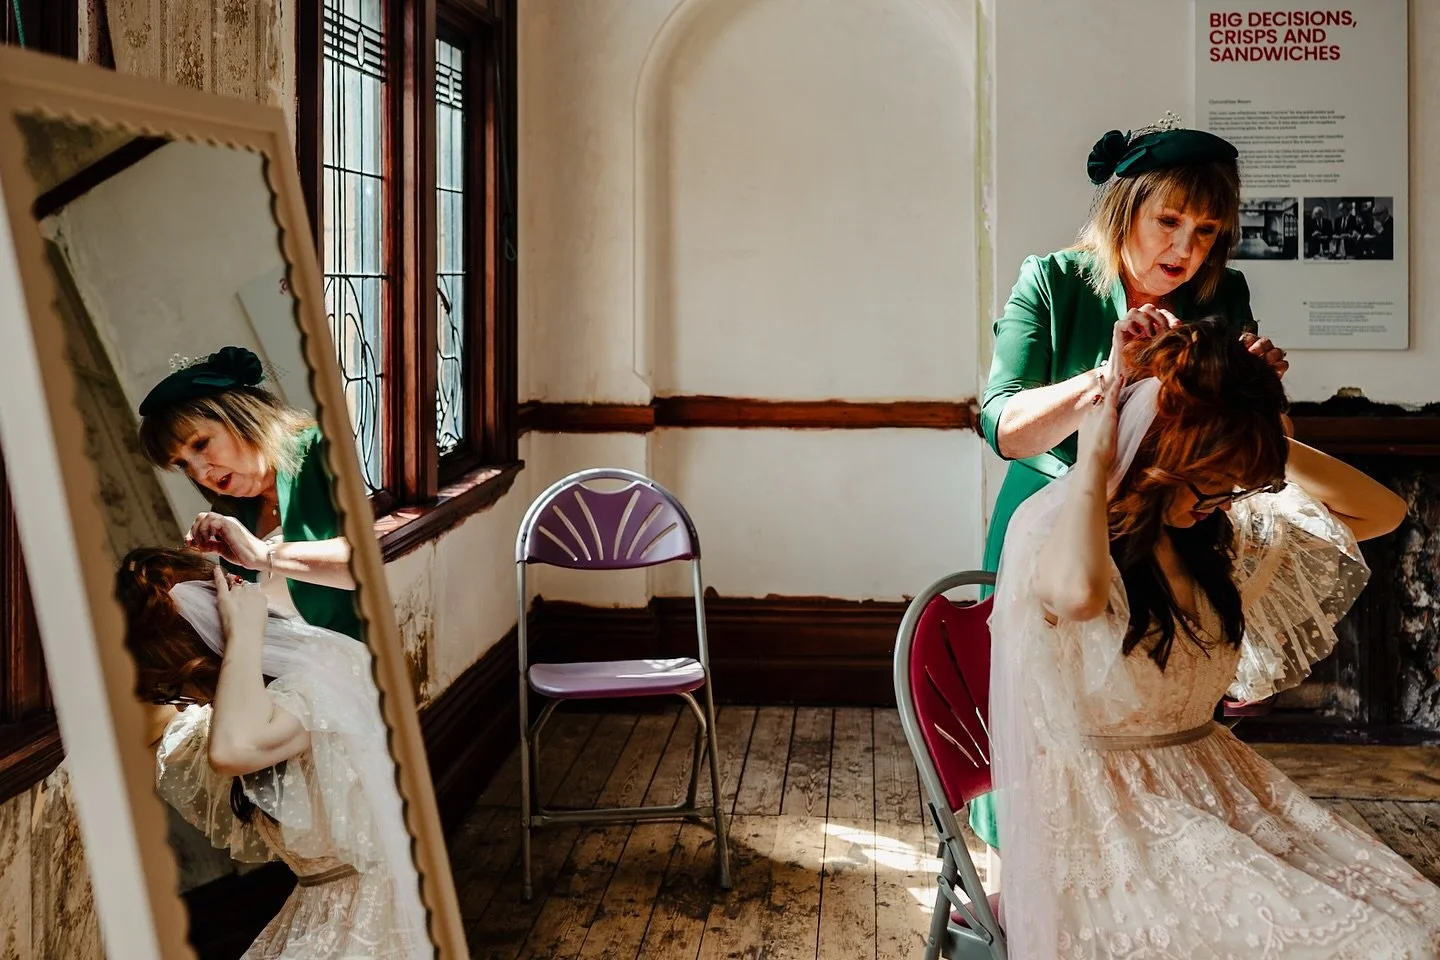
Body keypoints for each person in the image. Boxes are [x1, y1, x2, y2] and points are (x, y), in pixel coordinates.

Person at [990, 320, 1440, 958]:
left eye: (1237, 483)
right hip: (1110, 819)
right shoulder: (1058, 530)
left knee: (1416, 918)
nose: (1225, 497)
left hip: (1215, 782)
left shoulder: (1211, 534)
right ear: (1162, 453)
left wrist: (1250, 422)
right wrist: (1097, 450)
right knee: (1373, 944)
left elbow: (1381, 512)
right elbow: (1081, 595)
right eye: (1213, 479)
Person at [971, 118, 1288, 851]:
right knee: (1040, 715)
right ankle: (1020, 865)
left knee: (1153, 712)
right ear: (1125, 209)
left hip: (1173, 532)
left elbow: (1232, 443)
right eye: (1169, 221)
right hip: (1057, 530)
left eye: (1207, 230)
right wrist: (1109, 382)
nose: (1186, 248)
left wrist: (1256, 394)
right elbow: (1004, 427)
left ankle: (1155, 862)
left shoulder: (1224, 294)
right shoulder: (1051, 282)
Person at [117, 547, 428, 958]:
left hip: (375, 913)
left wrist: (244, 636)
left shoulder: (313, 684)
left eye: (174, 688)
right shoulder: (227, 711)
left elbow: (233, 749)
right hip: (318, 912)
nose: (181, 701)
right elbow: (143, 726)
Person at [138, 346, 359, 639]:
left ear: (239, 415)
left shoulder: (329, 449)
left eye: (201, 444)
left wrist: (265, 555)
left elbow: (383, 559)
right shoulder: (230, 520)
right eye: (182, 465)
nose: (201, 473)